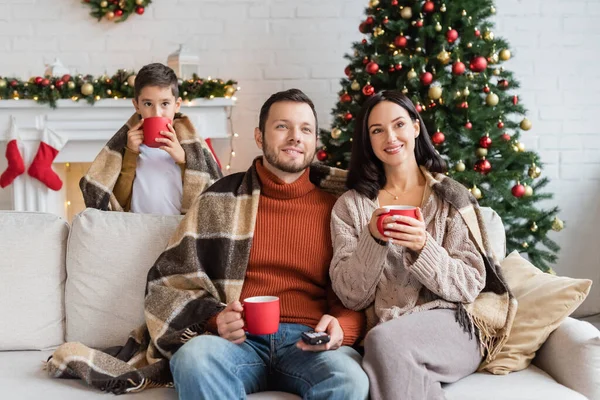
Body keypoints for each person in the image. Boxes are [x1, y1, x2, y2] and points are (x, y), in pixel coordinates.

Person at [47, 89, 369, 399]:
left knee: (349, 378)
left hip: (310, 342)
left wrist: (344, 326)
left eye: (306, 129)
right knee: (193, 358)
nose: (295, 137)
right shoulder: (220, 198)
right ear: (259, 137)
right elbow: (170, 281)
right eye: (282, 126)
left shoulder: (340, 206)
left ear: (315, 141)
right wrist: (215, 319)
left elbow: (361, 290)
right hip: (238, 342)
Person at [329, 90, 516, 400]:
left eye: (399, 124)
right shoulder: (350, 207)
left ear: (416, 127)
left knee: (383, 342)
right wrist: (372, 239)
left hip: (454, 325)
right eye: (377, 130)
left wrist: (423, 246)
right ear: (368, 141)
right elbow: (350, 296)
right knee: (385, 344)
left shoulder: (450, 198)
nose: (390, 136)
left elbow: (470, 285)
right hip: (388, 330)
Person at [79, 63, 222, 215]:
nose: (157, 113)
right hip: (138, 226)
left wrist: (183, 160)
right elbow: (117, 203)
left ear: (177, 105)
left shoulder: (191, 147)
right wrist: (131, 153)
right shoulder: (126, 145)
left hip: (177, 227)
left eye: (165, 103)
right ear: (137, 105)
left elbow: (206, 197)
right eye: (148, 104)